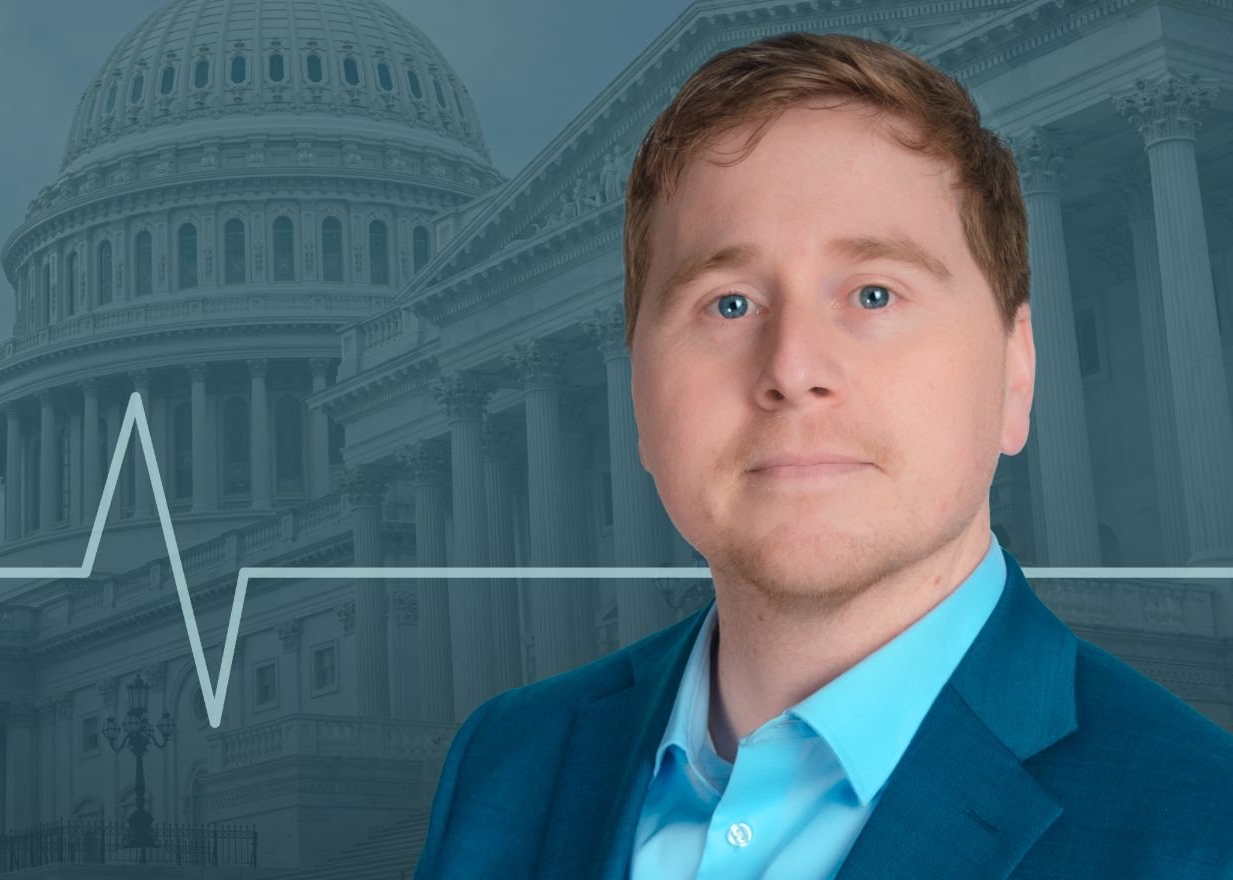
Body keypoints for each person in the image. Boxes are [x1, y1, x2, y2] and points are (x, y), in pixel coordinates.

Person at [414, 31, 1233, 880]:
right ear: (639, 393)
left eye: (875, 293)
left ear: (1016, 372)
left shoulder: (1204, 829)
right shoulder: (501, 772)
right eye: (728, 303)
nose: (792, 370)